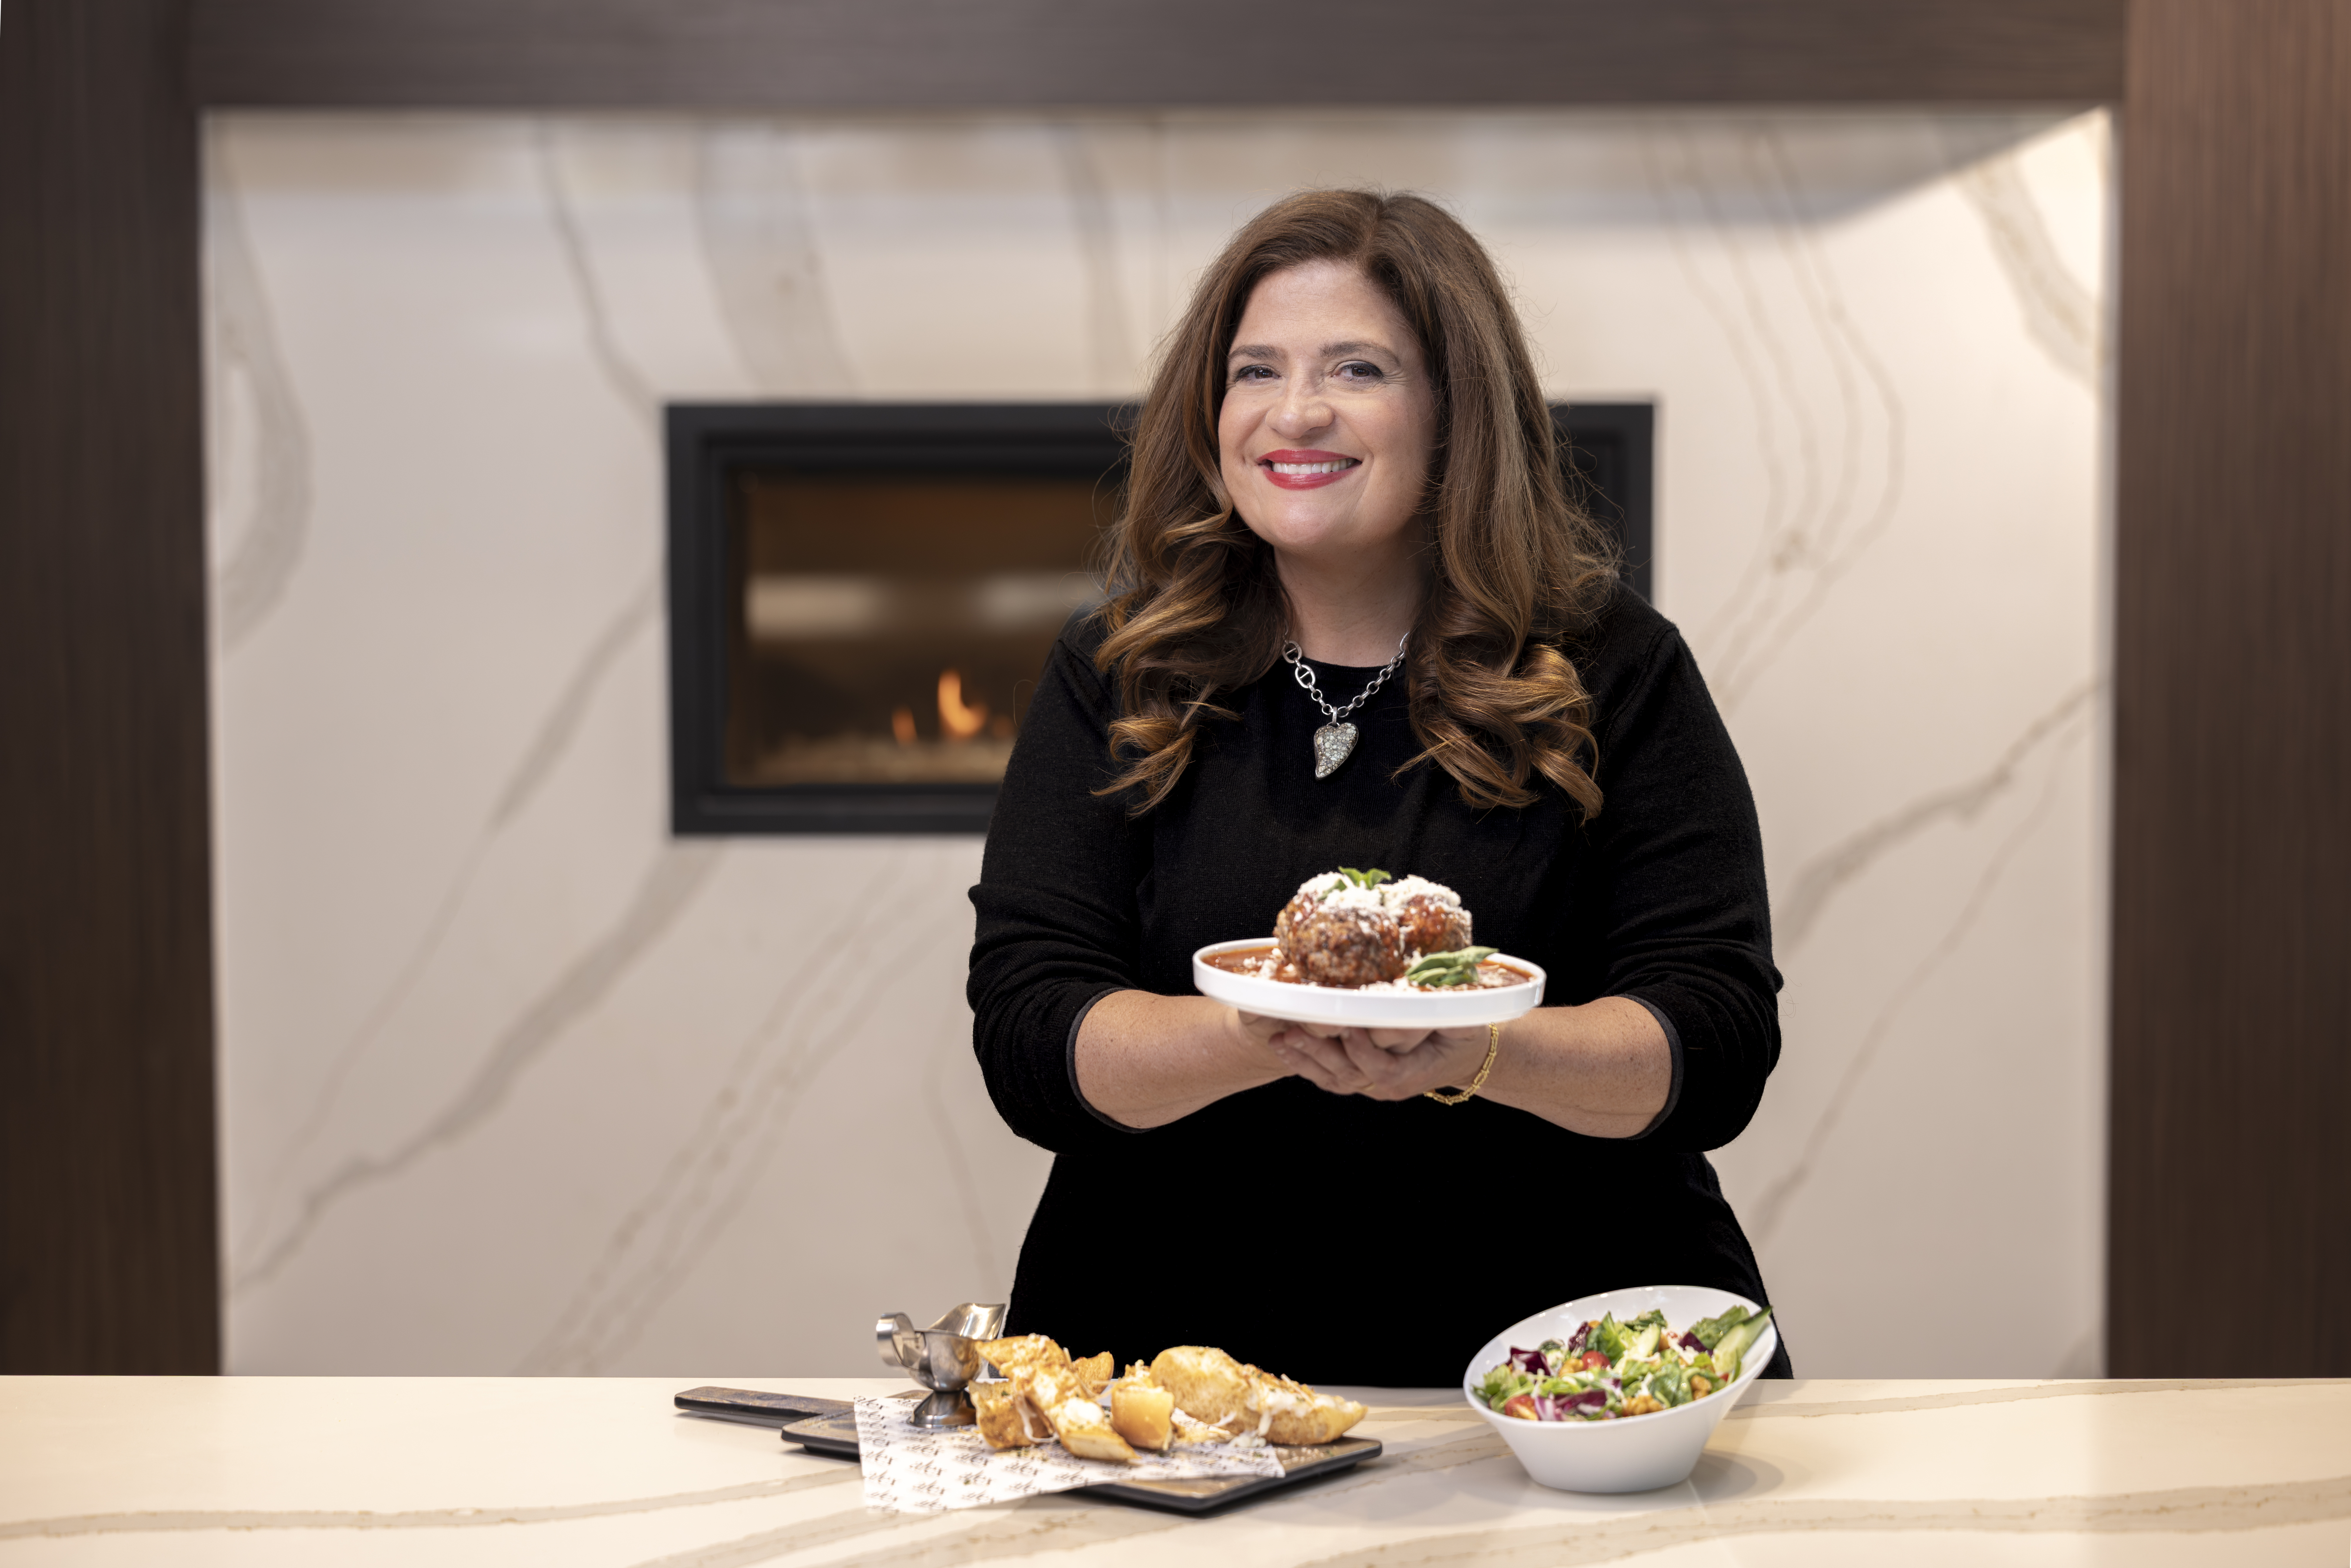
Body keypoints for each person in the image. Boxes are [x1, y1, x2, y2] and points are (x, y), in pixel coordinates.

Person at [968, 189, 1790, 1387]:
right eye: (1253, 371)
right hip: (1173, 1368)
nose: (1294, 412)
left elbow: (1711, 1042)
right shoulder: (1120, 670)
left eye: (1356, 368)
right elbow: (1030, 1037)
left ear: (1456, 412)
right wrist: (1270, 1032)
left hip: (1564, 1371)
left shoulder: (1613, 666)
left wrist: (1473, 1053)